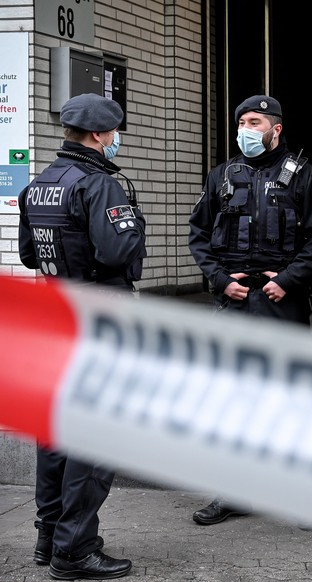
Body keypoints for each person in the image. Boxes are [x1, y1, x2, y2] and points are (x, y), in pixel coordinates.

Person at [188, 94, 312, 525]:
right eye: (243, 122)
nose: (247, 129)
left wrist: (287, 281)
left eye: (256, 121)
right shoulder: (222, 176)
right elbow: (198, 234)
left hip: (282, 304)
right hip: (232, 301)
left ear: (277, 128)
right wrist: (220, 280)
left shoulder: (304, 177)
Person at [18, 92, 145, 579]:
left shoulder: (40, 185)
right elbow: (118, 253)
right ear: (98, 135)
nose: (115, 141)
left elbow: (31, 256)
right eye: (113, 134)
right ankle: (75, 550)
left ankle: (49, 537)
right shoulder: (98, 185)